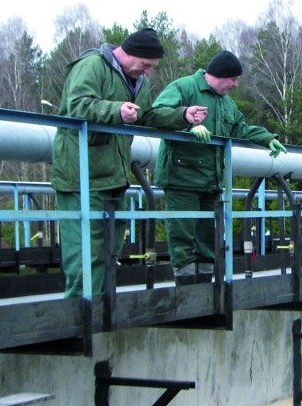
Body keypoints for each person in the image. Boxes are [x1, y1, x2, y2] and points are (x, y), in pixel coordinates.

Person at [51, 27, 208, 298]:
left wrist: (183, 116)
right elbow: (75, 105)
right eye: (146, 64)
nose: (148, 71)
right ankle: (78, 321)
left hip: (114, 176)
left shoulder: (138, 81)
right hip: (81, 177)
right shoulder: (92, 66)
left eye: (151, 67)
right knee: (85, 253)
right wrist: (116, 110)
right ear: (129, 53)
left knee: (108, 251)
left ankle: (101, 312)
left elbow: (147, 116)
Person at [152, 50, 287, 286]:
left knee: (207, 236)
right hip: (181, 178)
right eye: (233, 79)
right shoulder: (184, 88)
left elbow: (240, 128)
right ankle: (185, 291)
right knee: (182, 234)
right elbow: (157, 113)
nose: (235, 85)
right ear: (220, 75)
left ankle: (205, 289)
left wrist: (267, 138)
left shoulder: (226, 103)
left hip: (210, 181)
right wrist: (186, 122)